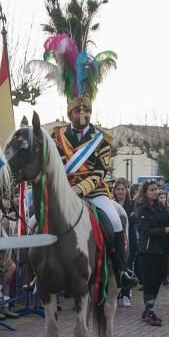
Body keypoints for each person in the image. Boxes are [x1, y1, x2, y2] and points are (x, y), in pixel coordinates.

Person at [49, 90, 137, 292]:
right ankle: (39, 271)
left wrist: (80, 189)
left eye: (87, 111)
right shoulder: (58, 135)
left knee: (115, 220)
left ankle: (120, 268)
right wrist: (64, 188)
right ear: (69, 113)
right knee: (38, 219)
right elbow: (56, 164)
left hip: (94, 191)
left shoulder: (102, 139)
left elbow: (100, 171)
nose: (83, 115)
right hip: (65, 190)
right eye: (78, 111)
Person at [133, 180, 169, 326]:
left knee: (158, 280)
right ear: (145, 192)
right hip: (149, 251)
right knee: (150, 281)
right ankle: (150, 311)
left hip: (163, 250)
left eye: (156, 189)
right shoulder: (142, 209)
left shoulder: (160, 207)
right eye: (152, 190)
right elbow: (145, 230)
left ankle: (149, 308)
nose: (155, 192)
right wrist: (165, 230)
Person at [112, 179, 136, 307]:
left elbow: (132, 221)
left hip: (129, 240)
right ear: (114, 191)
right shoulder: (111, 204)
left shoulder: (132, 204)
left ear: (126, 191)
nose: (120, 192)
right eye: (118, 189)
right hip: (116, 242)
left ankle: (126, 295)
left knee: (127, 266)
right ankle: (116, 293)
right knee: (116, 267)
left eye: (122, 189)